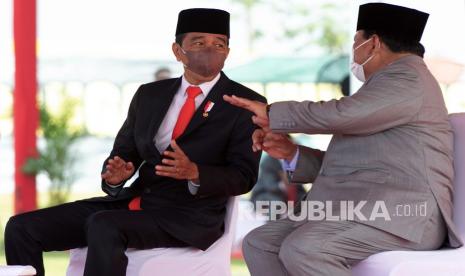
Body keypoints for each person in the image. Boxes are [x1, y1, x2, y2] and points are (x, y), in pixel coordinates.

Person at [4, 8, 266, 276]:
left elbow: (243, 177)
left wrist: (196, 173)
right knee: (21, 228)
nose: (210, 50)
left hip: (190, 216)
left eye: (218, 44)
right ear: (178, 51)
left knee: (105, 225)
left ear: (227, 52)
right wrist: (116, 176)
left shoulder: (245, 103)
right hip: (138, 201)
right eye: (199, 43)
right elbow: (123, 154)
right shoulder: (149, 95)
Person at [224, 3, 463, 276]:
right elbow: (356, 166)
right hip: (369, 211)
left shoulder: (408, 77)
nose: (353, 50)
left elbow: (343, 114)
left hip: (407, 217)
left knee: (306, 248)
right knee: (260, 243)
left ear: (372, 43)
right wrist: (292, 154)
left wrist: (271, 113)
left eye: (355, 42)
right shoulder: (384, 87)